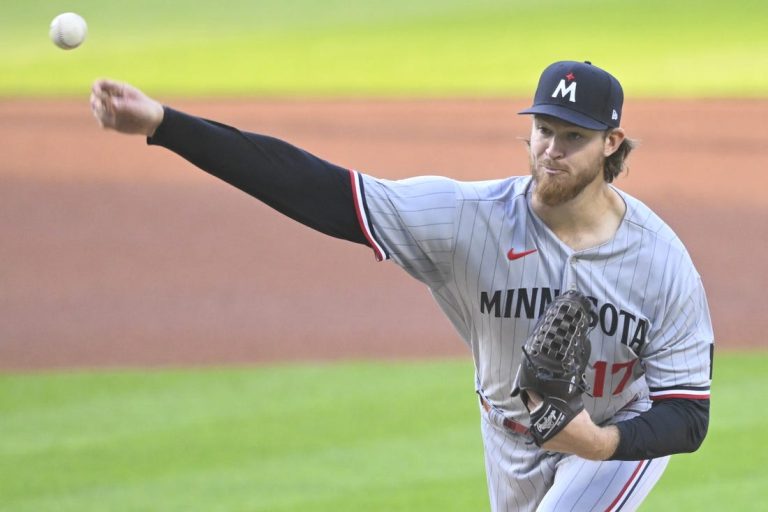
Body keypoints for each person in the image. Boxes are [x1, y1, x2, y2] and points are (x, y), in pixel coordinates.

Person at [90, 60, 713, 511]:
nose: (551, 150)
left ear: (612, 144)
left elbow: (688, 415)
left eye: (573, 137)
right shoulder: (471, 220)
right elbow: (319, 190)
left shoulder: (660, 262)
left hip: (617, 430)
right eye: (544, 130)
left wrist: (600, 441)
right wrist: (165, 124)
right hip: (509, 431)